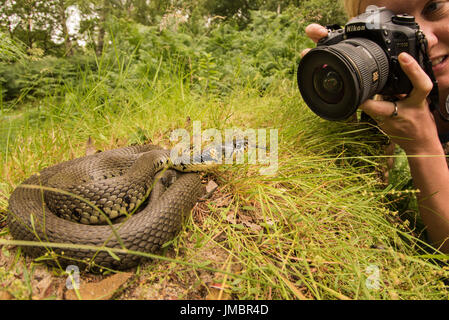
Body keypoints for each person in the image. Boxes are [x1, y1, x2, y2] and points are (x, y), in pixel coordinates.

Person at [302, 0, 449, 253]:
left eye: (433, 8)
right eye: (392, 21)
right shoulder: (388, 100)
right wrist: (345, 91)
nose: (426, 39)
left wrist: (422, 143)